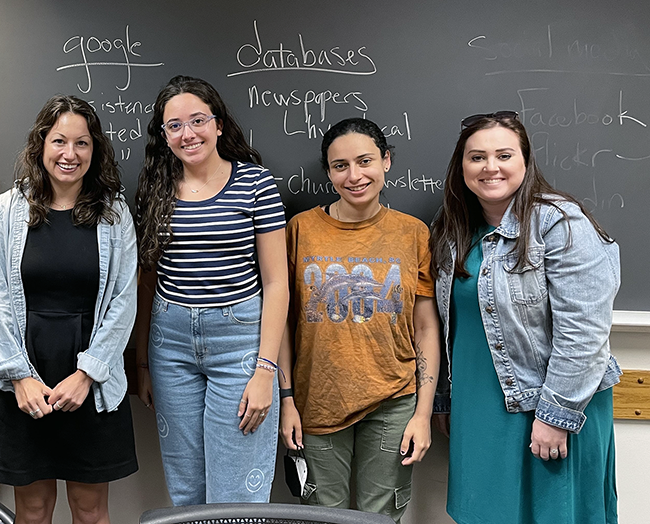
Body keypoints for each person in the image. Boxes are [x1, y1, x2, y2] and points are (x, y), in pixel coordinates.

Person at [429, 111, 619, 523]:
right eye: (477, 157)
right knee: (486, 513)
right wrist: (443, 398)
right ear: (461, 167)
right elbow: (445, 326)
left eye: (503, 155)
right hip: (479, 407)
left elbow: (585, 331)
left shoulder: (561, 223)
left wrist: (556, 416)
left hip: (550, 404)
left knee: (553, 514)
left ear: (525, 161)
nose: (490, 167)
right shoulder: (451, 230)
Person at [0, 94, 138, 524]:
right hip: (23, 376)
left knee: (90, 510)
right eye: (59, 141)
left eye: (82, 143)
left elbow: (124, 301)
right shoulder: (7, 209)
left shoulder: (114, 212)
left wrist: (88, 374)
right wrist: (20, 377)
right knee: (31, 510)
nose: (70, 154)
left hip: (91, 377)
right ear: (41, 145)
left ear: (95, 149)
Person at [134, 75, 289, 505]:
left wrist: (265, 372)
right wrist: (143, 363)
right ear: (164, 136)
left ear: (218, 124)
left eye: (198, 120)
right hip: (171, 343)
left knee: (235, 495)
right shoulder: (155, 189)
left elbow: (277, 283)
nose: (188, 134)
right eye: (175, 126)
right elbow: (148, 282)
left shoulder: (256, 183)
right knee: (185, 492)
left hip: (238, 341)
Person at [277, 118, 440, 522]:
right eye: (340, 166)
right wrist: (286, 400)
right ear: (329, 172)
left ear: (386, 161)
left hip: (393, 403)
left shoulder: (413, 233)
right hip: (317, 403)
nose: (354, 176)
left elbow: (425, 328)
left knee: (381, 518)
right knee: (321, 517)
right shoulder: (300, 230)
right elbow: (282, 321)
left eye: (365, 161)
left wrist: (422, 413)